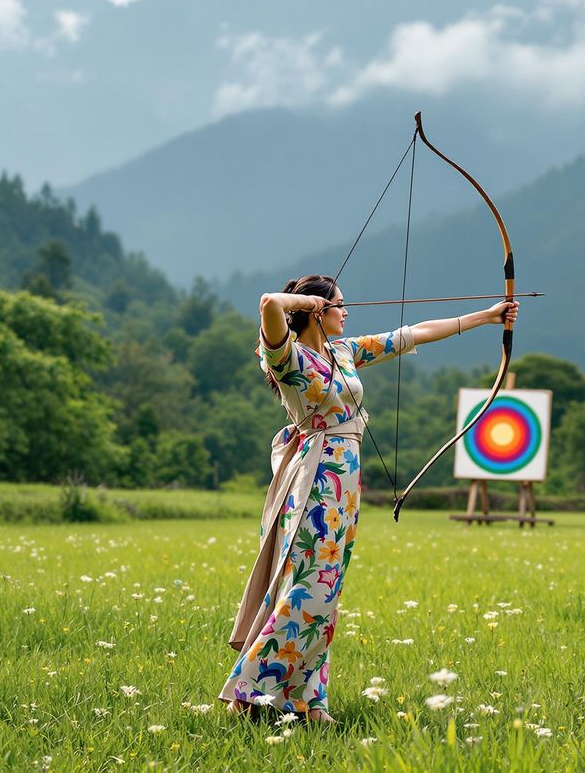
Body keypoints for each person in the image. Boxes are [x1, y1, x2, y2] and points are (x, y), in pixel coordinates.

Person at [219, 274, 518, 722]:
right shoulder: (285, 356)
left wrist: (487, 317)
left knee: (328, 590)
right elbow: (268, 304)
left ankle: (306, 701)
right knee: (311, 587)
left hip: (344, 483)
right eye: (338, 304)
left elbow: (412, 334)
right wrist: (307, 301)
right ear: (316, 311)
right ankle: (251, 692)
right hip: (312, 480)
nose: (346, 311)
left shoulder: (342, 352)